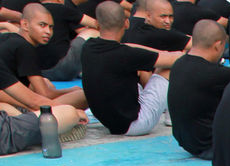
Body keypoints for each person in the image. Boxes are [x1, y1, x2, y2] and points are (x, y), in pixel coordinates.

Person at [80, 1, 180, 133]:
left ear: (97, 24)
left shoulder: (88, 47)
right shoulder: (126, 55)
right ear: (126, 23)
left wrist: (157, 53)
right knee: (168, 68)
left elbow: (127, 47)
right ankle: (171, 117)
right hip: (134, 124)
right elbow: (174, 59)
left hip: (110, 122)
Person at [167, 19, 230, 157]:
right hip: (211, 145)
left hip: (186, 142)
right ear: (218, 45)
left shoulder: (178, 64)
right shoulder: (216, 74)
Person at [0, 4, 87, 110]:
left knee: (47, 83)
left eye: (51, 27)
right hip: (14, 104)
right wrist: (71, 91)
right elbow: (44, 94)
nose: (48, 32)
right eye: (42, 25)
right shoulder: (24, 47)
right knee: (83, 96)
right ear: (25, 25)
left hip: (10, 97)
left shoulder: (8, 38)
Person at [37, 0, 99, 81]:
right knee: (92, 32)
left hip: (40, 73)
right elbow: (96, 24)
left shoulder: (33, 12)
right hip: (64, 69)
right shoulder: (63, 9)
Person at [0, 99, 82, 152]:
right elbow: (34, 101)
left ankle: (38, 129)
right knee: (70, 112)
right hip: (6, 132)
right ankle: (46, 132)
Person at [125, 0, 190, 50]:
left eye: (170, 16)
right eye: (163, 16)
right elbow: (196, 44)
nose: (168, 21)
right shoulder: (157, 33)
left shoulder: (123, 27)